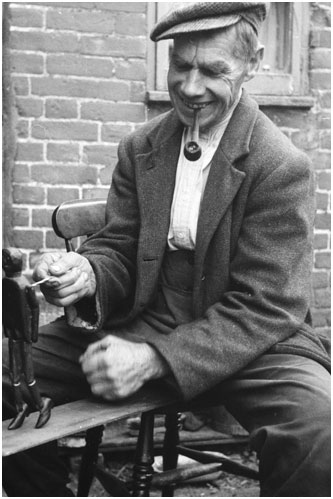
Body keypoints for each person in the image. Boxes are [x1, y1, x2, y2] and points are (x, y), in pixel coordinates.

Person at [3, 2, 330, 496]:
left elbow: (269, 306)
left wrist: (154, 358)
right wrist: (88, 273)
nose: (192, 87)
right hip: (147, 315)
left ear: (253, 63)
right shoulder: (142, 148)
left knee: (318, 426)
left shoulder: (280, 165)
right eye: (181, 67)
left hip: (252, 340)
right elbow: (119, 247)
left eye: (213, 70)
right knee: (7, 379)